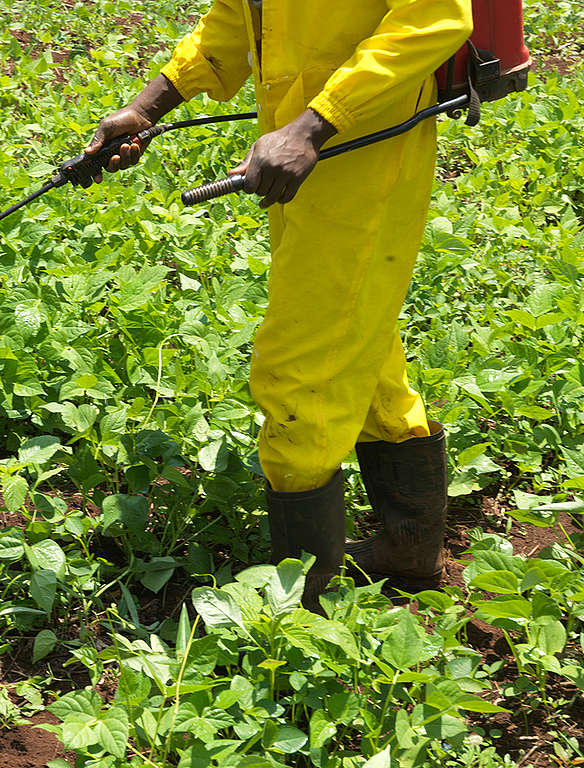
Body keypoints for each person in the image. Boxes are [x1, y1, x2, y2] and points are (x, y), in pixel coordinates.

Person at [81, 0, 473, 608]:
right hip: (302, 160)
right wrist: (145, 106)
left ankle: (299, 606)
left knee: (300, 372)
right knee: (358, 342)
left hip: (361, 155)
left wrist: (312, 125)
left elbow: (437, 18)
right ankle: (407, 549)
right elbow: (235, 22)